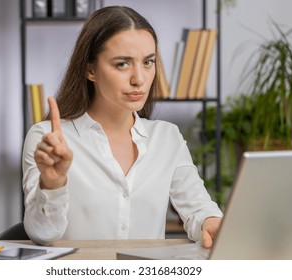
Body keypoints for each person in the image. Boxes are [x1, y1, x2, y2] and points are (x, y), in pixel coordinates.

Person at [22, 5, 223, 247]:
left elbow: (198, 209)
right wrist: (53, 184)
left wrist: (210, 221)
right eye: (122, 64)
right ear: (90, 69)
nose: (139, 79)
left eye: (148, 62)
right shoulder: (48, 139)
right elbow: (41, 234)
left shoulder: (166, 137)